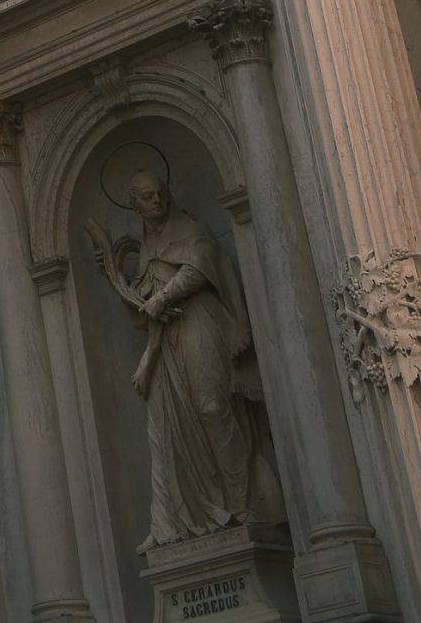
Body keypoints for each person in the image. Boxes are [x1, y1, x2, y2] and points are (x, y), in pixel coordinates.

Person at [88, 149, 283, 550]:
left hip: (200, 325)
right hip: (164, 345)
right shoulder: (143, 247)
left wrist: (161, 298)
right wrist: (120, 280)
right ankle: (177, 521)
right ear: (133, 203)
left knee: (213, 407)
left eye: (160, 193)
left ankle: (243, 503)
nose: (156, 200)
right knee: (165, 428)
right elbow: (143, 309)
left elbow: (199, 266)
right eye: (147, 196)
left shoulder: (188, 227)